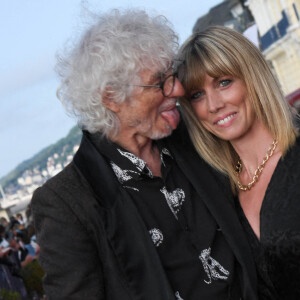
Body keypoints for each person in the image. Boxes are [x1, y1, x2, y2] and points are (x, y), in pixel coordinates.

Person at [31, 11, 258, 299]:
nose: (177, 89)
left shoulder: (196, 134)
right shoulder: (67, 203)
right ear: (111, 97)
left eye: (172, 74)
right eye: (159, 82)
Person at [177, 26, 299, 299]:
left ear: (252, 77)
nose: (213, 105)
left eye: (223, 82)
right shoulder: (217, 194)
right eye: (197, 95)